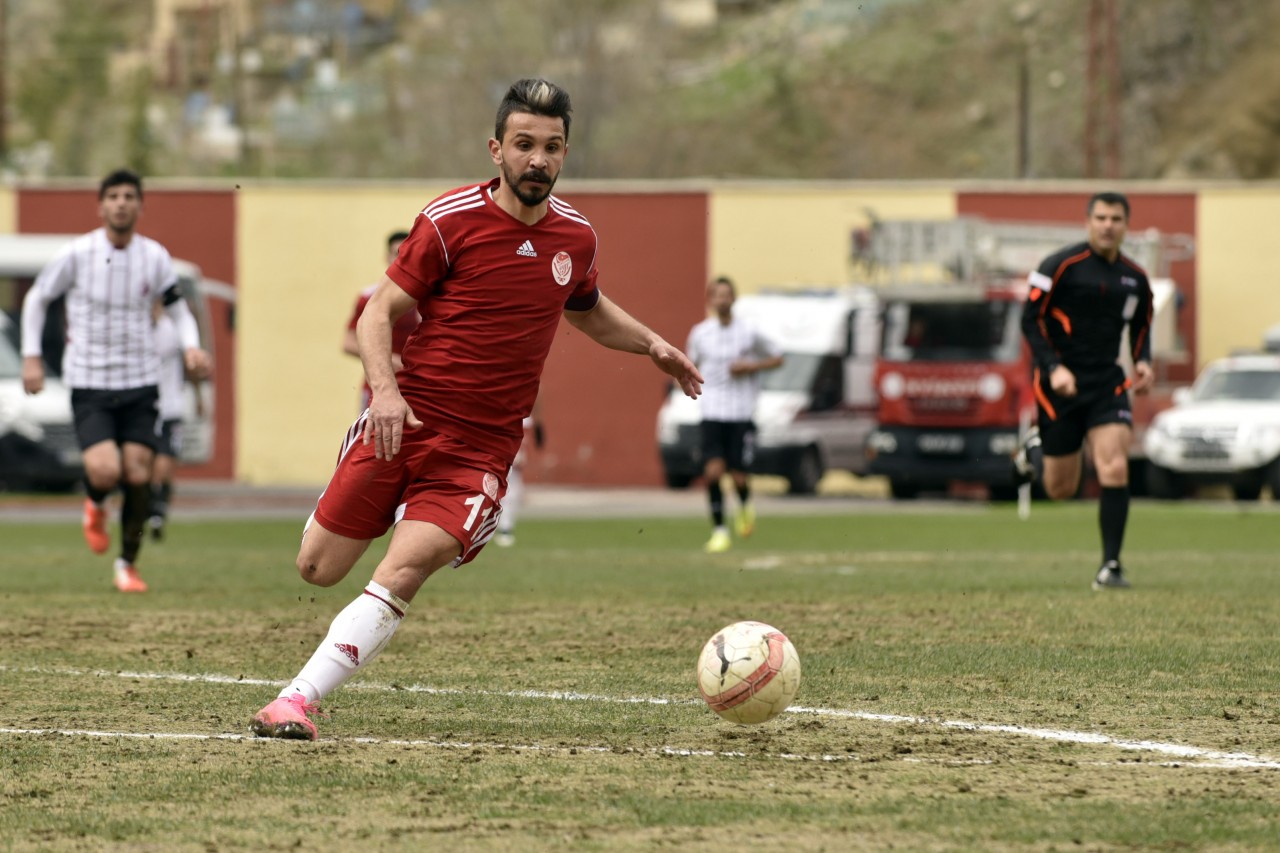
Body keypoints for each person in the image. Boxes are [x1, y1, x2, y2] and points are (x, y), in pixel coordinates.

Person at [250, 78, 703, 740]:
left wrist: (653, 343)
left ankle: (296, 700)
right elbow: (379, 310)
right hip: (403, 423)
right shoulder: (449, 220)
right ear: (497, 149)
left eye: (551, 147)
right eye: (524, 145)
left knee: (405, 565)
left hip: (480, 450)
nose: (537, 160)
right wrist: (384, 390)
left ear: (566, 153)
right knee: (316, 567)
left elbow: (588, 310)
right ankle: (368, 521)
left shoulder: (575, 237)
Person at [20, 168, 212, 592]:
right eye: (113, 196)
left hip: (141, 382)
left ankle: (127, 564)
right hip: (89, 380)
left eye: (129, 196)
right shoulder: (78, 253)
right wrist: (31, 356)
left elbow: (178, 308)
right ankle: (94, 501)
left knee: (138, 473)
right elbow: (38, 297)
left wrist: (191, 346)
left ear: (140, 206)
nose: (121, 203)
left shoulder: (155, 256)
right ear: (101, 205)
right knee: (105, 472)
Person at [1015, 191, 1153, 591]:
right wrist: (1054, 367)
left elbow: (1142, 325)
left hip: (1107, 383)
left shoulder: (1135, 278)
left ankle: (1111, 566)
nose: (1108, 225)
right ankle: (1034, 451)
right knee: (1060, 489)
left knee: (1114, 467)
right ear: (1088, 222)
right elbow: (1030, 320)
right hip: (1060, 386)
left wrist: (1141, 360)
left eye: (1116, 219)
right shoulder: (1059, 266)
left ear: (1126, 225)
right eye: (1101, 218)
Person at [685, 276, 783, 553]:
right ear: (710, 300)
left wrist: (751, 367)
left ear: (733, 299)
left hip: (741, 412)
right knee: (713, 472)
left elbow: (778, 357)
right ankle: (719, 531)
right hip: (712, 410)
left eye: (727, 295)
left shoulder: (749, 331)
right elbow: (689, 364)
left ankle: (744, 504)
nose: (722, 300)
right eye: (717, 295)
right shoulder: (701, 333)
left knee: (739, 476)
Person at [148, 300, 205, 541]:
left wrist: (198, 394)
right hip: (143, 409)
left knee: (165, 466)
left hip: (171, 408)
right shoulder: (133, 329)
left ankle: (158, 514)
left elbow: (188, 364)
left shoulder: (172, 329)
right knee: (147, 467)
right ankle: (153, 511)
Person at [343, 230, 419, 411]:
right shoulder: (371, 297)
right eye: (396, 254)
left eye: (406, 254)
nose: (401, 259)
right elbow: (349, 343)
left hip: (417, 387)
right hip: (378, 389)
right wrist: (390, 360)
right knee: (373, 438)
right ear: (387, 257)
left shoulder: (427, 297)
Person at [493, 398, 545, 548]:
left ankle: (505, 528)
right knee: (492, 489)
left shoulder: (524, 413)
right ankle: (490, 528)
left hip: (512, 449)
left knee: (512, 491)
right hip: (497, 449)